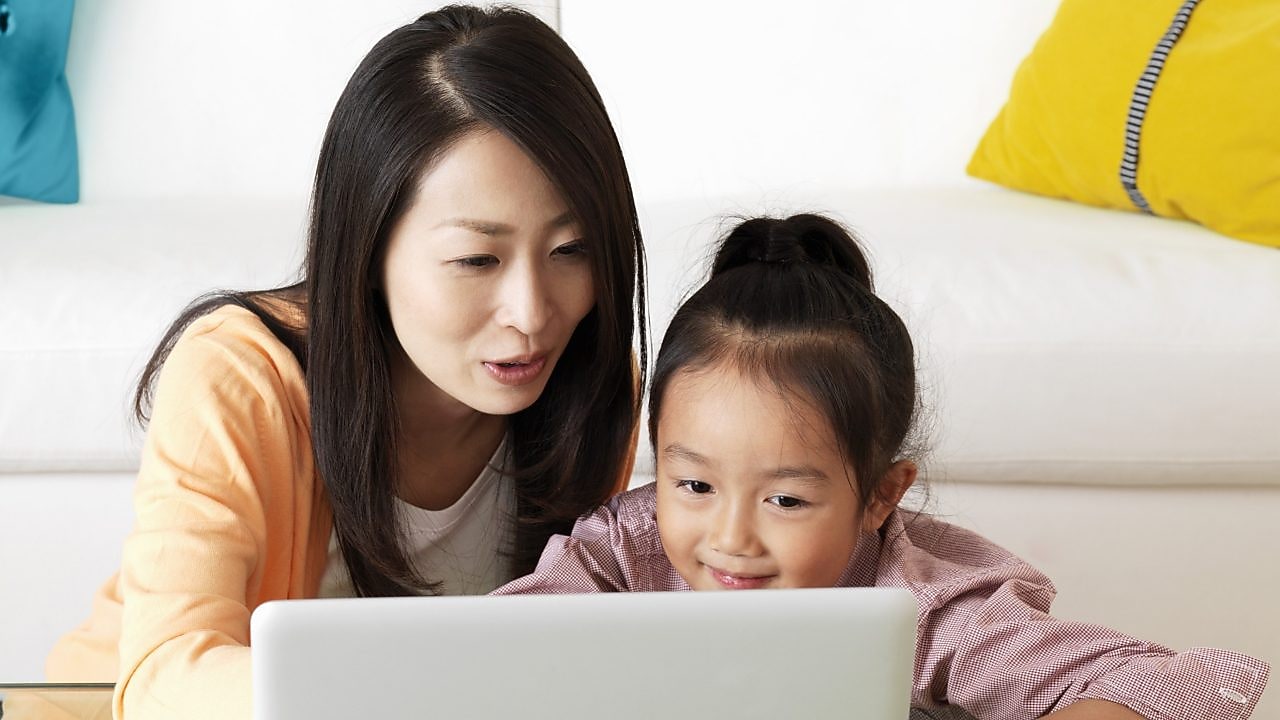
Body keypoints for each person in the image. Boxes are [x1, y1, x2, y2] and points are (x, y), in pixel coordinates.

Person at [43, 6, 646, 719]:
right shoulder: (240, 377)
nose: (534, 312)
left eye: (570, 251)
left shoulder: (591, 387)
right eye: (476, 259)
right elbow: (165, 677)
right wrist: (432, 693)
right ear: (367, 253)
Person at [493, 214, 1271, 719]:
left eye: (787, 500)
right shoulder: (622, 552)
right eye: (693, 484)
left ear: (880, 496)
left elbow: (1153, 683)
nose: (729, 536)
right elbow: (494, 653)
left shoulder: (922, 601)